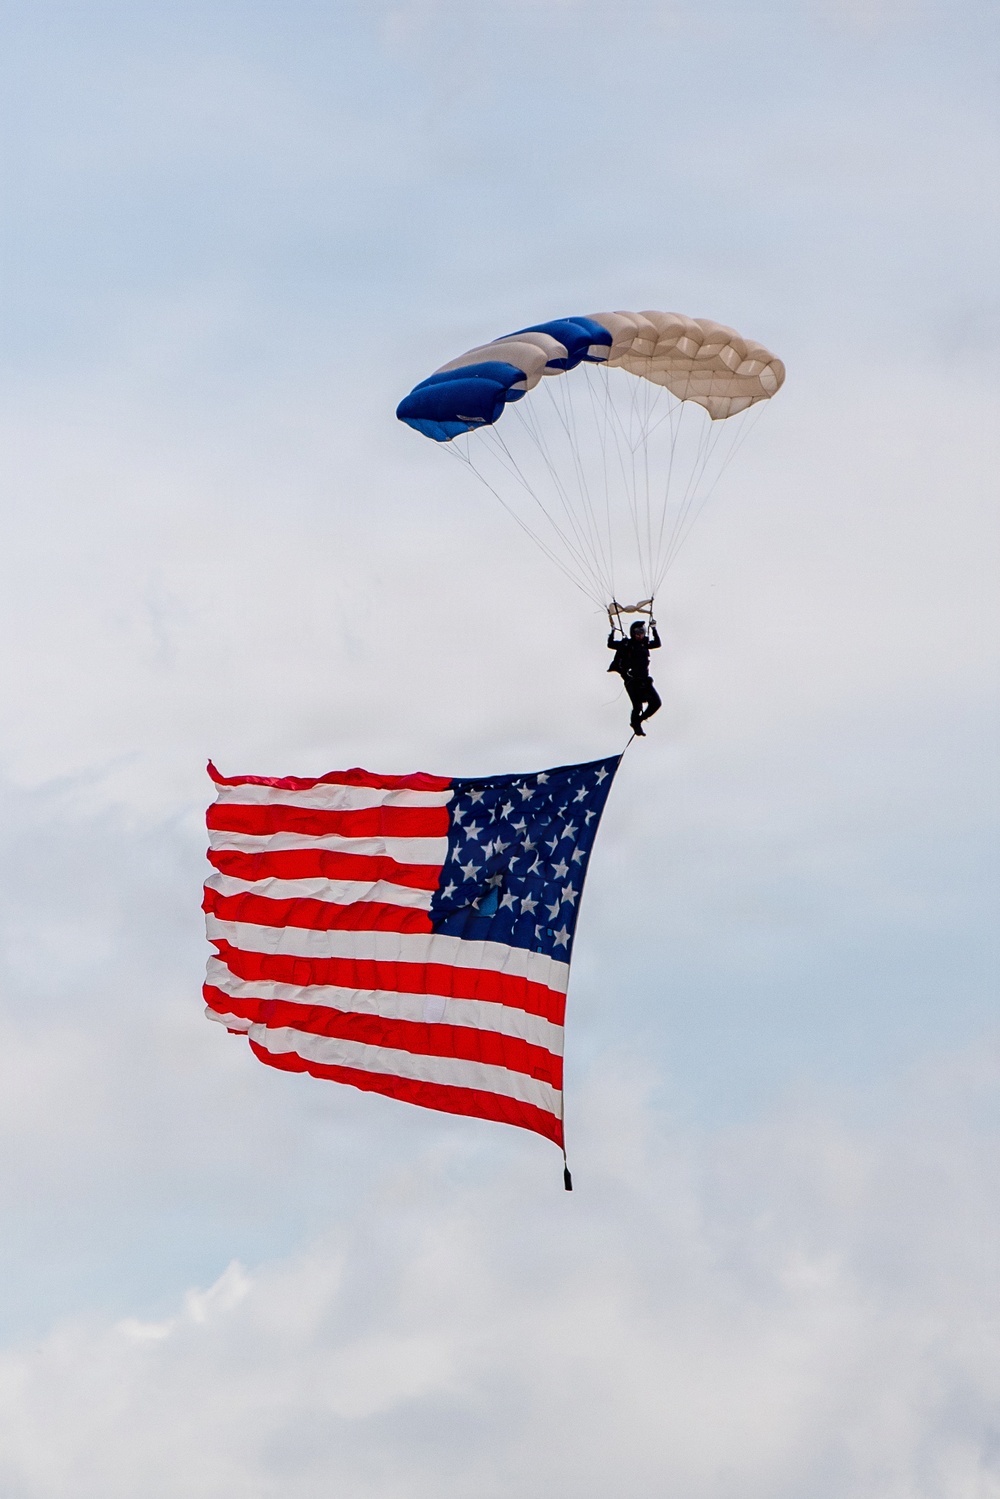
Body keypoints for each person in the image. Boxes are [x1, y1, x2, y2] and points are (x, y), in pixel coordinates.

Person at [607, 618, 662, 736]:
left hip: (644, 681)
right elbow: (610, 644)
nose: (640, 634)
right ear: (633, 632)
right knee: (637, 706)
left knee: (656, 703)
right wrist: (612, 631)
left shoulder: (645, 644)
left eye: (642, 631)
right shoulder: (626, 644)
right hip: (632, 681)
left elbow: (657, 643)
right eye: (637, 632)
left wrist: (654, 629)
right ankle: (636, 724)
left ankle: (638, 721)